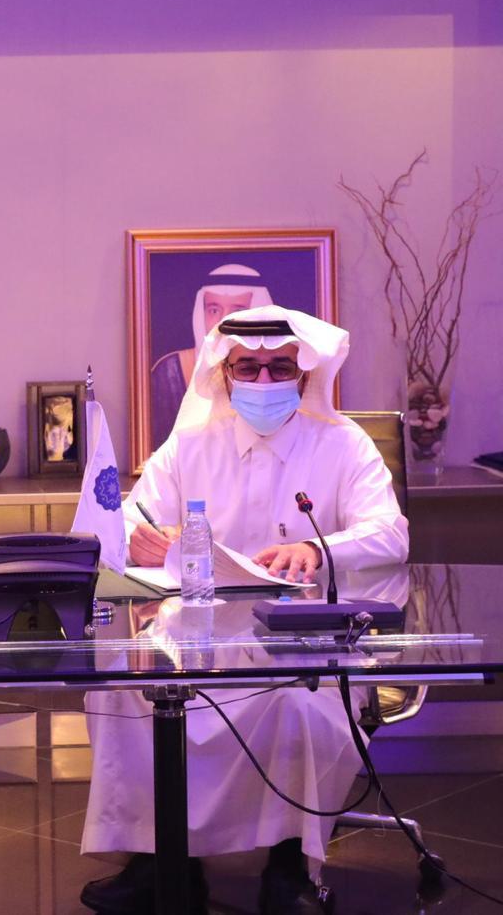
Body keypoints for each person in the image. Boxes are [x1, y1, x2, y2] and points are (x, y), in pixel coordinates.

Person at [81, 305, 409, 915]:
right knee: (124, 691)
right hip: (197, 634)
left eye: (279, 368)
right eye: (247, 368)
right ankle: (161, 861)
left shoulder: (342, 444)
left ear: (304, 374)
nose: (263, 382)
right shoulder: (190, 444)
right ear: (223, 374)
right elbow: (127, 518)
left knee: (300, 704)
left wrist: (316, 549)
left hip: (306, 638)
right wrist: (142, 536)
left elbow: (391, 534)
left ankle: (290, 867)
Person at [149, 264, 273, 449]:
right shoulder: (170, 371)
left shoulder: (276, 373)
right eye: (214, 310)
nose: (224, 321)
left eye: (237, 311)